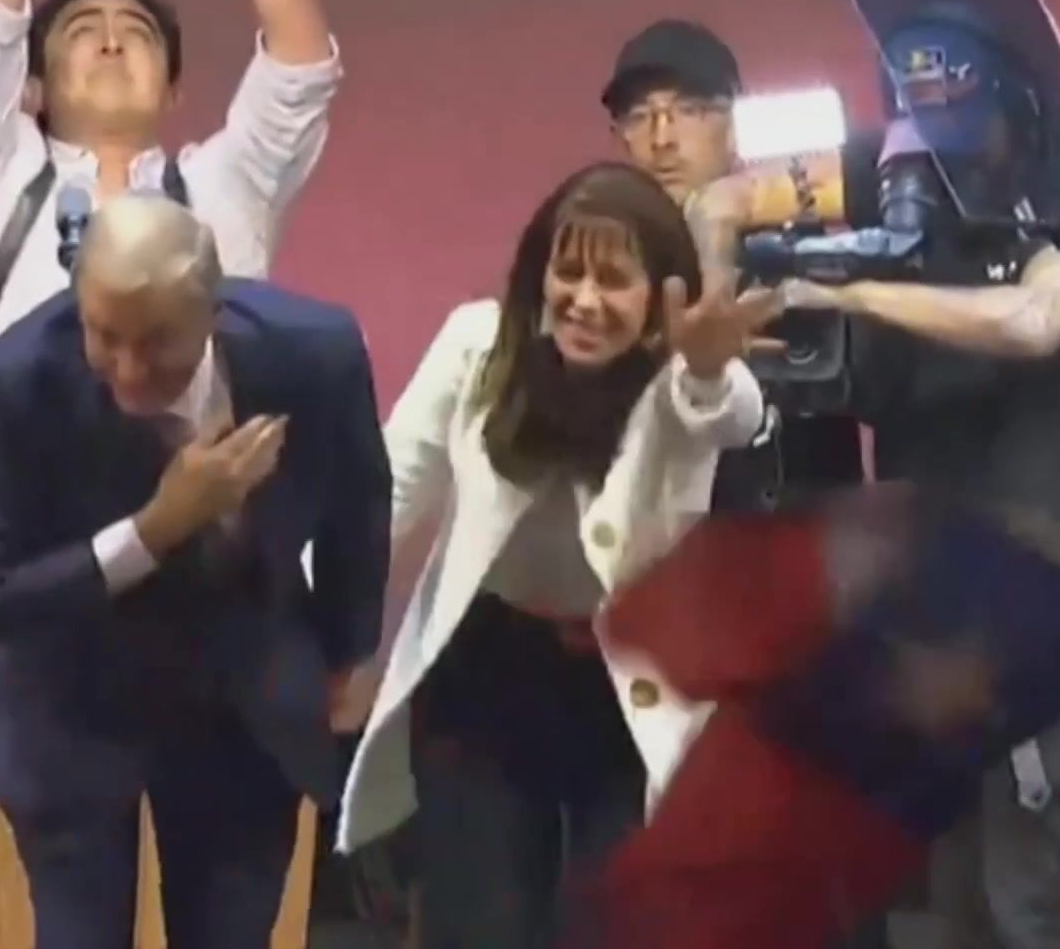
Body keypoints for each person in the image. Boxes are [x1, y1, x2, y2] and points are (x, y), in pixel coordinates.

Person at [0, 0, 342, 938]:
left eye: (135, 31)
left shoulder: (225, 186)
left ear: (176, 87)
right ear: (32, 89)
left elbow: (302, 64)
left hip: (213, 611)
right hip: (41, 600)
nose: (108, 38)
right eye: (80, 29)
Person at [783, 13, 1060, 948]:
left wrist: (849, 288)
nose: (935, 146)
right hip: (938, 627)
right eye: (914, 118)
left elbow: (1031, 324)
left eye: (958, 116)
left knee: (1029, 904)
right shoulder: (901, 252)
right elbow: (831, 380)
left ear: (1018, 119)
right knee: (945, 910)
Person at [334, 162, 781, 947]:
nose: (583, 299)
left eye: (613, 281)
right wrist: (323, 627)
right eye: (567, 272)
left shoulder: (686, 379)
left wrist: (708, 366)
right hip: (490, 672)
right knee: (481, 922)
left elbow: (731, 414)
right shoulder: (478, 346)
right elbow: (389, 494)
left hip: (628, 683)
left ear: (659, 298)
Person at [0, 194, 389, 947]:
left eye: (155, 342)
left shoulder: (314, 354)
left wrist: (347, 651)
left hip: (238, 703)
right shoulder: (20, 378)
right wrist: (157, 527)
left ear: (212, 311)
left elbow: (358, 502)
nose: (128, 367)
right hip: (71, 698)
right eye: (104, 335)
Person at [602, 19, 867, 511]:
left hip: (804, 525)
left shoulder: (801, 252)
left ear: (736, 123)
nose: (662, 137)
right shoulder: (603, 271)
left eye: (690, 110)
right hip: (659, 537)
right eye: (639, 117)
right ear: (620, 137)